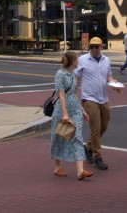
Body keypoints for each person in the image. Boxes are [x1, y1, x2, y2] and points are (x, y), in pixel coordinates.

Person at [76, 36, 118, 170]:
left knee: (103, 126)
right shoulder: (82, 60)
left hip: (103, 98)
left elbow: (108, 76)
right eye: (91, 46)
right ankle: (97, 156)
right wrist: (71, 94)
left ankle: (88, 147)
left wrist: (114, 84)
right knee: (95, 128)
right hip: (89, 99)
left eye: (96, 46)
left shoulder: (106, 60)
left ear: (101, 47)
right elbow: (77, 78)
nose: (94, 49)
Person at [51, 50, 92, 180]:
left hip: (74, 108)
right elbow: (61, 95)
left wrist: (82, 110)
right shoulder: (60, 74)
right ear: (72, 61)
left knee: (78, 137)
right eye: (76, 59)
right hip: (62, 109)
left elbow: (74, 93)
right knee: (59, 137)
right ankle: (57, 167)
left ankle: (80, 171)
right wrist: (64, 114)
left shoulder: (74, 74)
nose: (78, 61)